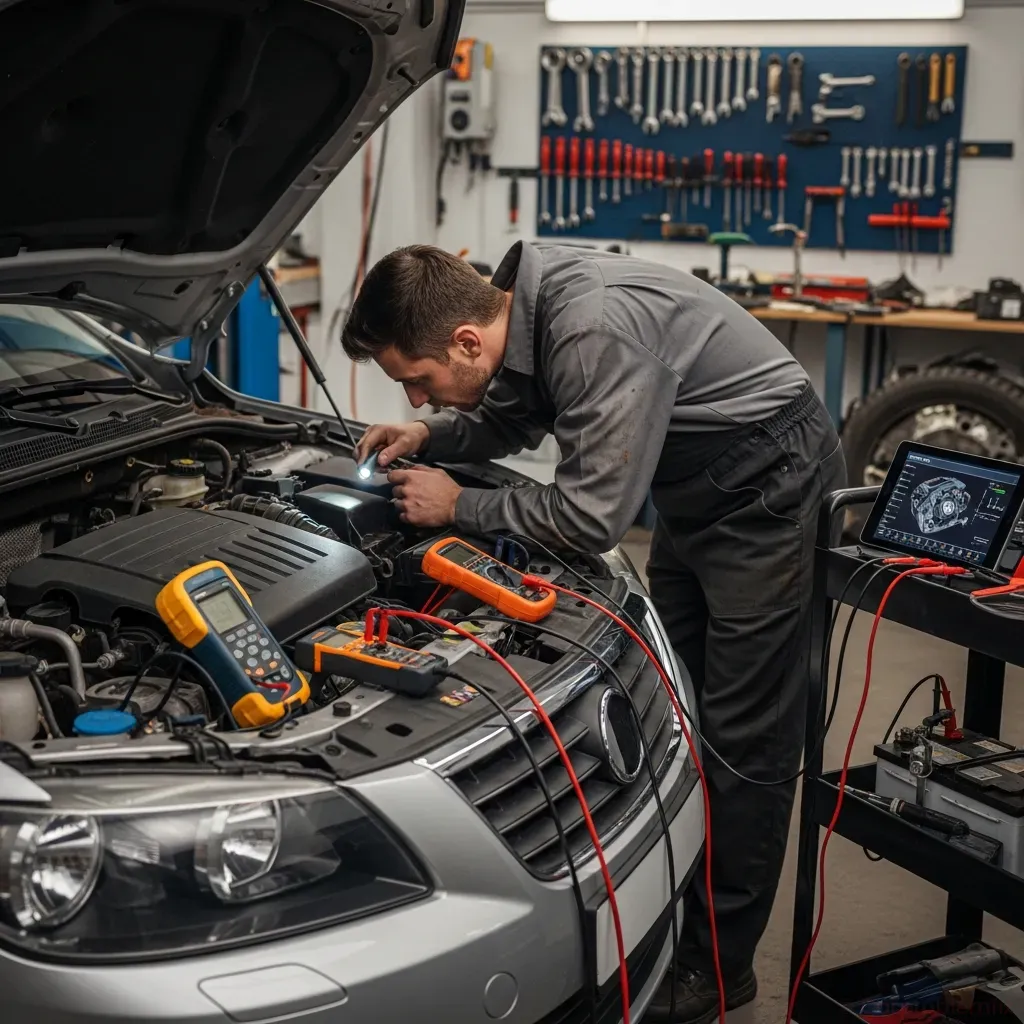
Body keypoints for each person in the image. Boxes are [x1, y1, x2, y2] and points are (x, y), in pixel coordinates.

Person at [342, 241, 846, 1023]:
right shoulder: (518, 310)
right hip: (696, 478)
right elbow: (507, 417)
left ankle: (720, 966)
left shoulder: (592, 328)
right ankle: (668, 907)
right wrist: (432, 439)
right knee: (671, 697)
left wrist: (458, 507)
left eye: (418, 381)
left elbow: (587, 516)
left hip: (765, 481)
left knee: (747, 736)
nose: (414, 397)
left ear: (468, 341)